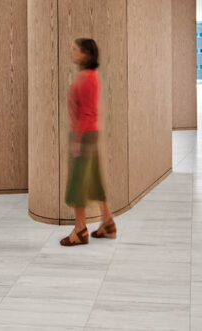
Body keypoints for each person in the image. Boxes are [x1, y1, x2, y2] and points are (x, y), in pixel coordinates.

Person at [60, 38, 115, 246]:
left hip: (83, 135)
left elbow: (87, 112)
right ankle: (108, 222)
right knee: (93, 179)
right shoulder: (89, 76)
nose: (72, 52)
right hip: (89, 133)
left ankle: (80, 230)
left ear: (86, 54)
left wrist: (77, 140)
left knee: (77, 184)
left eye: (75, 49)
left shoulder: (88, 78)